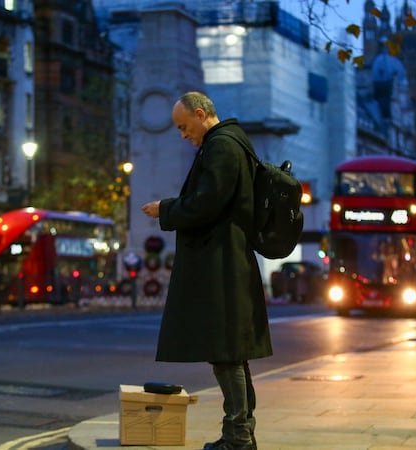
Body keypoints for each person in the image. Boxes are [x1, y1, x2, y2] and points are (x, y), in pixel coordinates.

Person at [141, 91, 271, 450]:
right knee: (230, 352)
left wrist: (165, 209)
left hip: (222, 264)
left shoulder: (222, 146)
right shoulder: (231, 143)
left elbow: (207, 202)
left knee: (226, 352)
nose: (183, 135)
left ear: (200, 114)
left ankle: (239, 439)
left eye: (184, 127)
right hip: (227, 259)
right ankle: (239, 435)